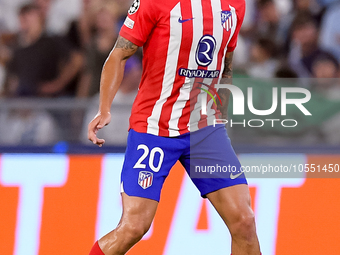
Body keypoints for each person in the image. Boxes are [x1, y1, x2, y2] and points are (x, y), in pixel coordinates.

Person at [88, 0, 261, 254]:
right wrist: (104, 108)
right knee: (134, 226)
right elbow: (120, 53)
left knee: (244, 221)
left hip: (205, 129)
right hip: (154, 127)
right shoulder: (154, 2)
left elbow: (226, 60)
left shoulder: (235, 5)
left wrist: (221, 110)